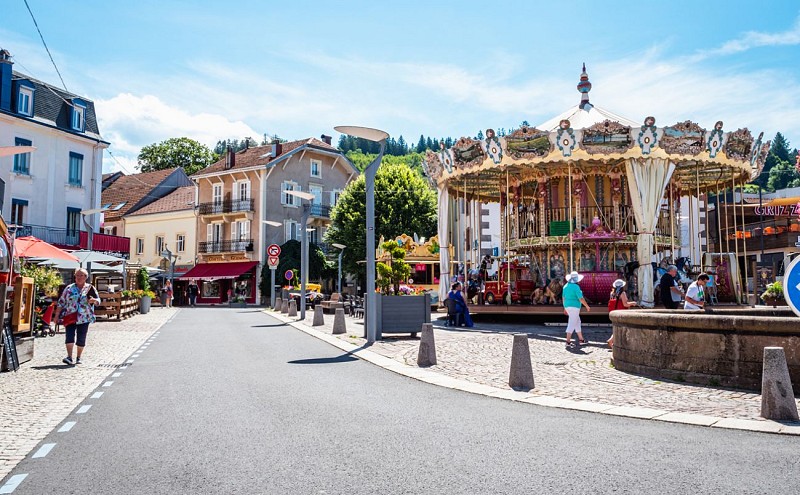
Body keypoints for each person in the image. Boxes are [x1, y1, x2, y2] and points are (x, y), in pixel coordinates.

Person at [54, 268, 100, 366]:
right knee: (69, 336)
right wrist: (56, 315)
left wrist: (94, 301)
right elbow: (61, 302)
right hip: (70, 315)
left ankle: (78, 357)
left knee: (81, 337)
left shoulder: (90, 288)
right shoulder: (69, 288)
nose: (79, 277)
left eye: (81, 275)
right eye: (77, 275)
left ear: (86, 277)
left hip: (84, 317)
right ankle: (69, 357)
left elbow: (98, 300)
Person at [562, 271, 590, 347]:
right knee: (572, 323)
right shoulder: (576, 287)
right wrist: (587, 306)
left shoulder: (565, 286)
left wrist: (565, 308)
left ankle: (581, 339)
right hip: (575, 306)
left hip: (567, 306)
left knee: (577, 322)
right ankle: (568, 341)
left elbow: (563, 298)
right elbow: (581, 298)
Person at [606, 279, 637, 348]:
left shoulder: (612, 293)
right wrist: (633, 303)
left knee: (617, 327)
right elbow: (625, 304)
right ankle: (611, 340)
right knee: (621, 327)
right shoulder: (622, 293)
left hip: (614, 312)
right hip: (621, 312)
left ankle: (613, 341)